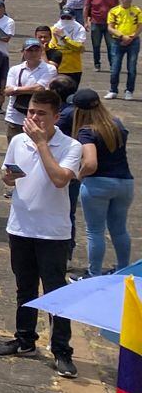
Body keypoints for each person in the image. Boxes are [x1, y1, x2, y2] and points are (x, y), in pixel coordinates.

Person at [0, 89, 82, 377]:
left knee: (56, 292)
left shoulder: (71, 146)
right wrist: (7, 176)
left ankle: (62, 350)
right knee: (25, 287)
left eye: (40, 114)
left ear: (56, 117)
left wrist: (42, 144)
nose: (33, 118)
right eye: (31, 112)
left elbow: (59, 180)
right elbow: (9, 174)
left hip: (53, 232)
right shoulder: (18, 140)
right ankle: (25, 339)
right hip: (20, 225)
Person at [73, 87, 133, 276]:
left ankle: (94, 273)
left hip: (98, 184)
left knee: (95, 231)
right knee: (119, 230)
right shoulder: (117, 124)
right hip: (124, 183)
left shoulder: (87, 131)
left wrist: (79, 176)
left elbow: (90, 163)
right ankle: (123, 270)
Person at [2, 38, 55, 146]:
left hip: (38, 117)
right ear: (23, 52)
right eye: (30, 51)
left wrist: (16, 89)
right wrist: (29, 90)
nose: (33, 53)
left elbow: (40, 89)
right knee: (14, 147)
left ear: (41, 52)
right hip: (15, 115)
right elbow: (7, 91)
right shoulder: (15, 69)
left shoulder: (50, 69)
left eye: (36, 50)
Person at [110, 0, 142, 100]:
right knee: (115, 67)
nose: (129, 0)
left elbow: (140, 25)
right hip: (117, 40)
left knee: (132, 67)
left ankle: (129, 90)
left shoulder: (137, 10)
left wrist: (132, 36)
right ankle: (113, 89)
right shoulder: (114, 11)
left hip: (133, 41)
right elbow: (110, 27)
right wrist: (122, 36)